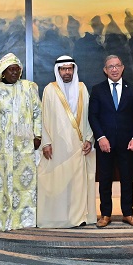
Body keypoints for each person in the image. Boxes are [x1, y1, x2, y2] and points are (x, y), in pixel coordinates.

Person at [0, 53, 42, 231]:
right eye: (10, 70)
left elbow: (38, 112)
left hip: (24, 143)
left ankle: (24, 220)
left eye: (17, 70)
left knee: (25, 183)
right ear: (3, 72)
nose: (14, 73)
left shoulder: (29, 87)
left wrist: (38, 136)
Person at [37, 56, 96, 228]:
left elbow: (89, 115)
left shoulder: (82, 88)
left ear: (74, 70)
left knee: (77, 183)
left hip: (78, 145)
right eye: (63, 69)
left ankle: (77, 218)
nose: (67, 72)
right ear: (58, 71)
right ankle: (57, 218)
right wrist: (46, 143)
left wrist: (89, 138)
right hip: (57, 146)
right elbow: (43, 118)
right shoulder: (49, 90)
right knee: (58, 181)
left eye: (70, 68)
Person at [88, 55, 133, 228]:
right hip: (105, 144)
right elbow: (93, 116)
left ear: (123, 67)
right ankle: (105, 214)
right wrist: (100, 137)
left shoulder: (132, 90)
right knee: (105, 180)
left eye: (117, 66)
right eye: (110, 67)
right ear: (105, 70)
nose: (114, 69)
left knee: (127, 179)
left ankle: (128, 213)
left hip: (127, 144)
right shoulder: (97, 90)